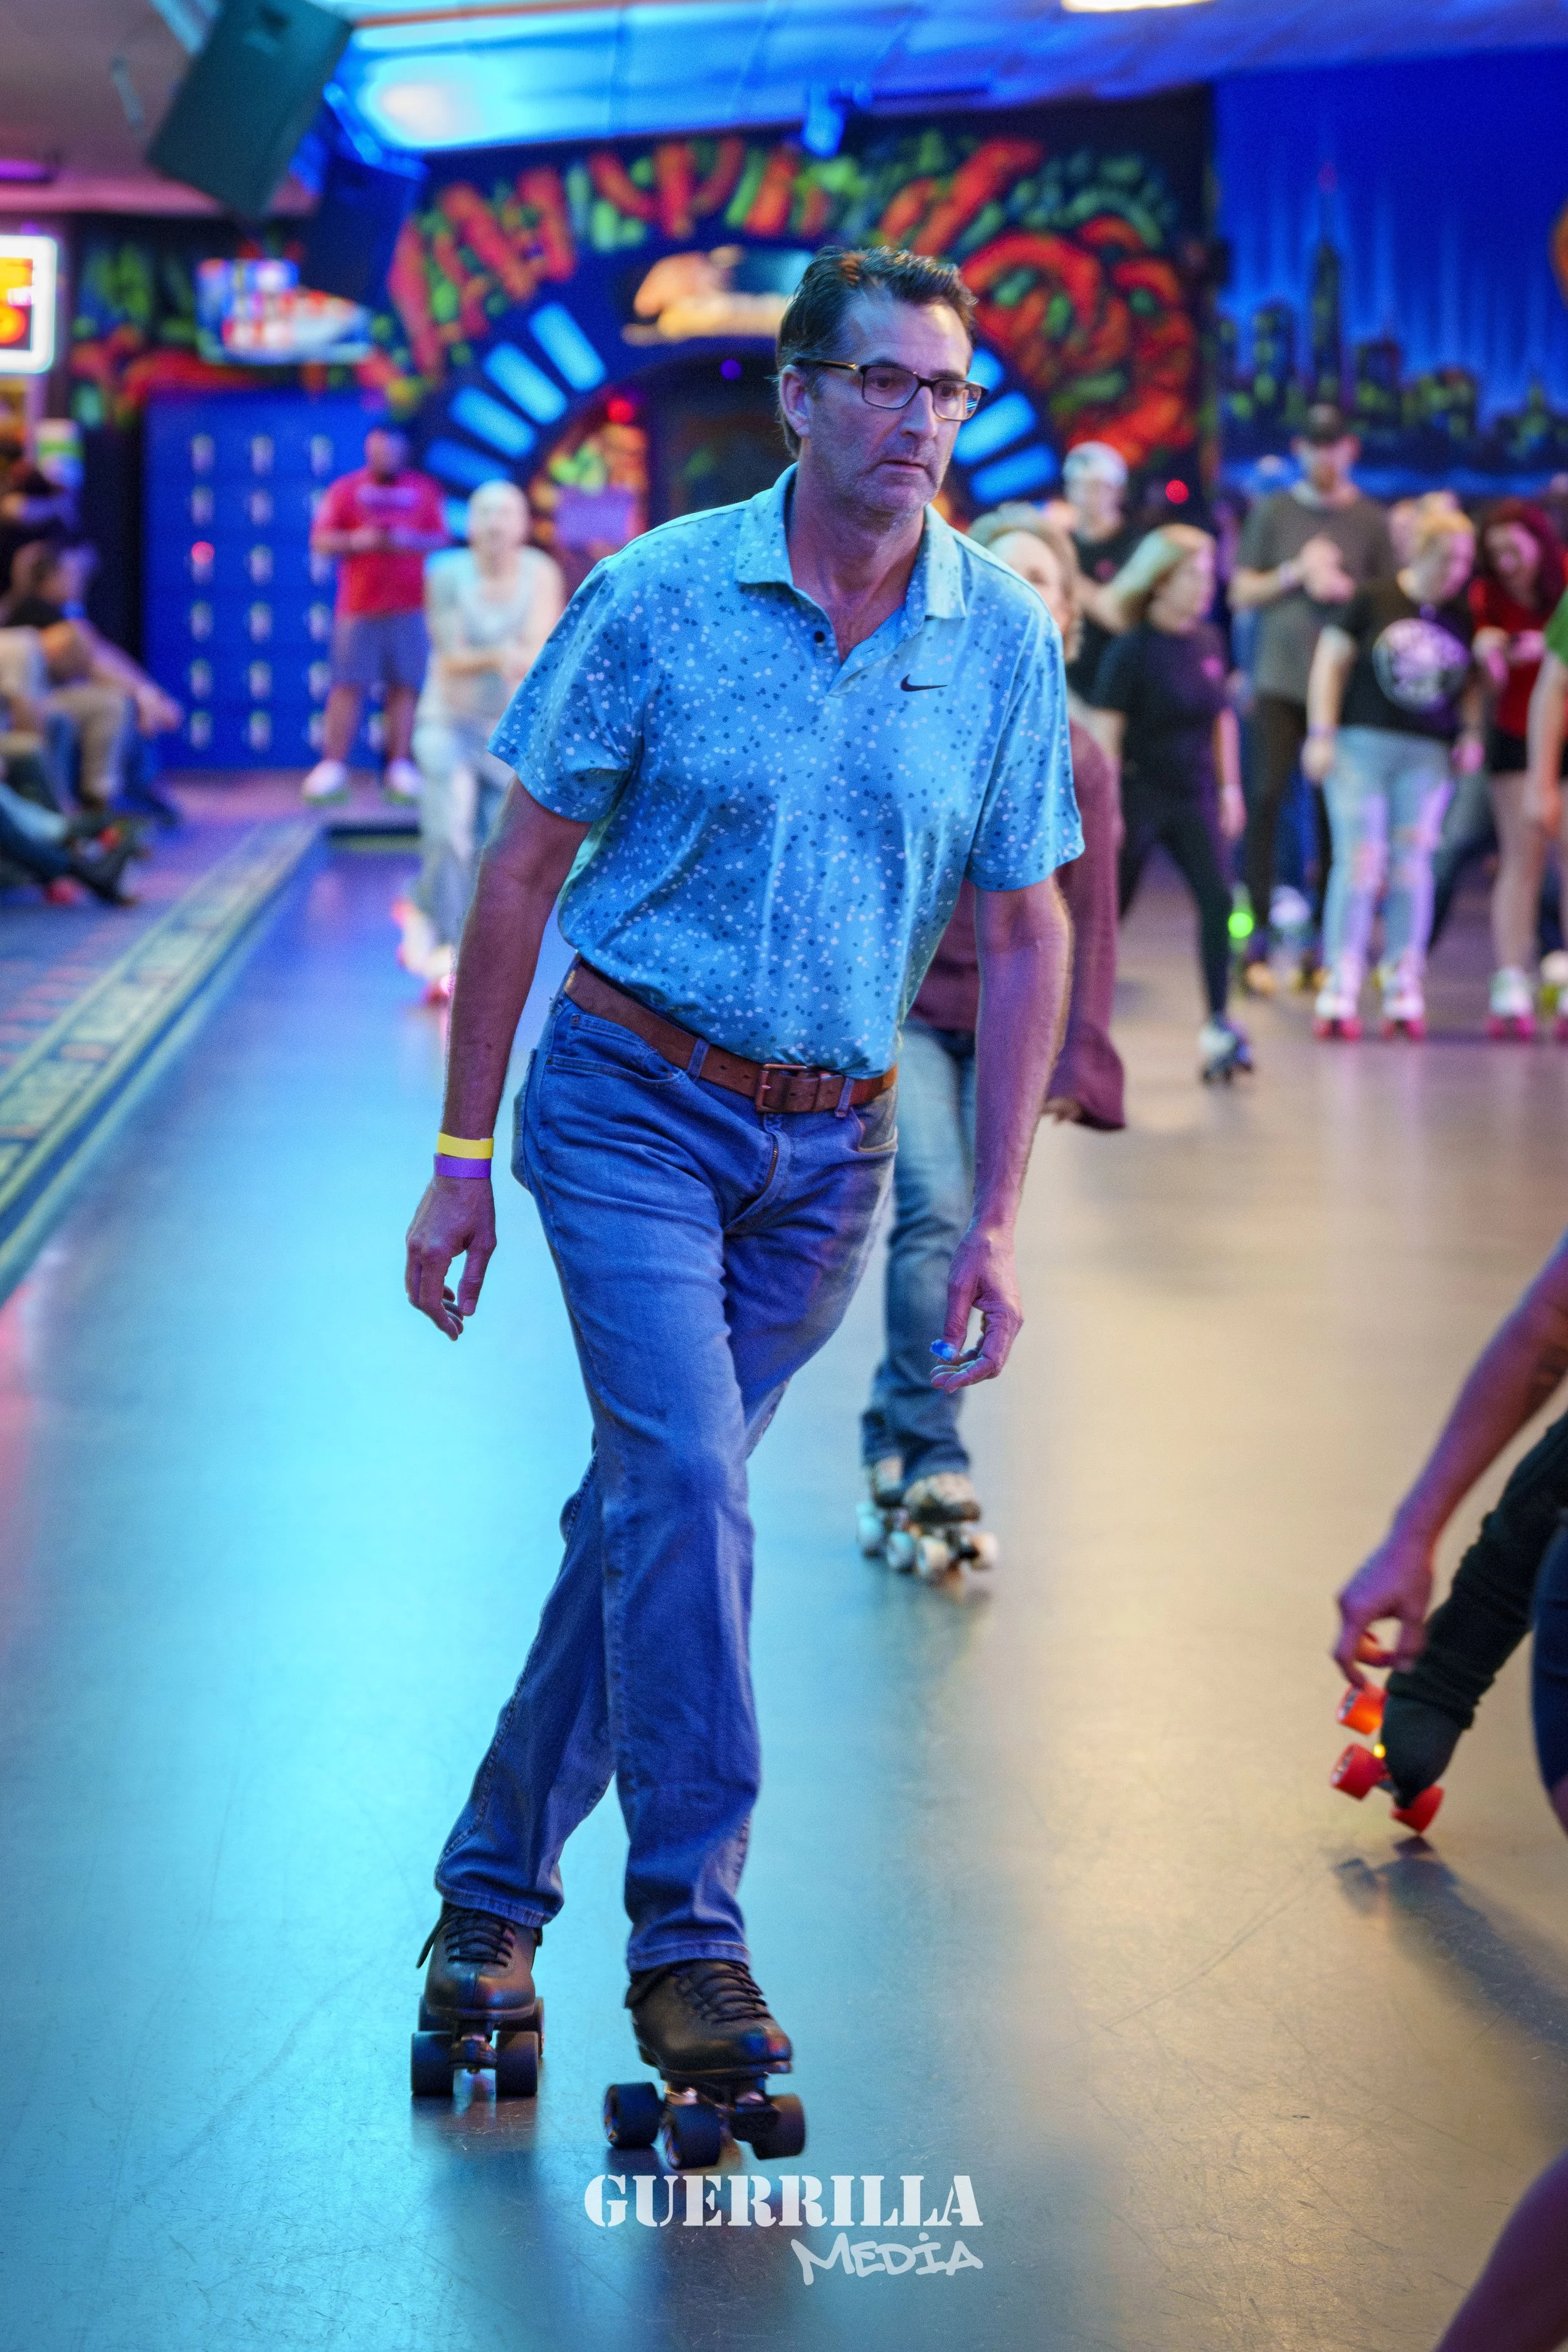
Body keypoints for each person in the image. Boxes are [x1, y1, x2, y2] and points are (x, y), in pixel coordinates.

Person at [401, 246, 1079, 2102]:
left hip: (829, 1149)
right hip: (626, 1097)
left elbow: (1028, 934)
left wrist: (997, 1210)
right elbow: (521, 868)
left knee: (647, 1505)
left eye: (942, 390)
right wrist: (460, 1155)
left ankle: (483, 1899)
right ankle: (688, 1940)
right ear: (794, 394)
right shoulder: (658, 597)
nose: (916, 422)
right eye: (880, 382)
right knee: (688, 1480)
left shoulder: (997, 635)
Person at [857, 505, 1124, 1547]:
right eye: (1005, 576)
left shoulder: (1082, 756)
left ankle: (892, 1415)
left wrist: (1083, 1048)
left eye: (1046, 583)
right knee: (935, 1210)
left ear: (1065, 614)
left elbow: (1087, 918)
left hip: (1013, 1020)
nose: (1029, 598)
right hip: (912, 1012)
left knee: (976, 1226)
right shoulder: (917, 707)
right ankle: (934, 1451)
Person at [1231, 405, 1395, 992]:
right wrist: (1295, 573)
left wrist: (1349, 590)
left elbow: (1390, 605)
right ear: (1301, 449)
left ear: (1349, 449)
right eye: (1314, 444)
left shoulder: (1371, 521)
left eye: (1334, 444)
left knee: (1334, 819)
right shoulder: (1274, 512)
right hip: (1278, 680)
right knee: (1266, 801)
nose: (1323, 455)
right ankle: (1252, 939)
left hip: (1344, 692)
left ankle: (1327, 948)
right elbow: (1241, 591)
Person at [1304, 508, 1481, 1039]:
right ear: (1422, 551)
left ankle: (1404, 978)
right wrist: (1322, 732)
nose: (1456, 571)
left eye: (1465, 562)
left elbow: (1467, 682)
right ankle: (1341, 978)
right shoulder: (1373, 598)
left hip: (1426, 753)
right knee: (1359, 862)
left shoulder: (1458, 614)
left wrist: (1470, 733)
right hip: (1362, 744)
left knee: (1413, 865)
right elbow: (1330, 663)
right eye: (1448, 558)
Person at [1090, 523, 1251, 1081]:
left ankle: (1219, 1024)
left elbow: (1222, 717)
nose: (1207, 586)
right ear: (1161, 582)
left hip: (1196, 793)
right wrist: (1109, 807)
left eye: (1210, 574)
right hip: (1141, 793)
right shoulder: (1131, 650)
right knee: (1113, 911)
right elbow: (1108, 736)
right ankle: (1080, 1024)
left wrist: (1231, 789)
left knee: (1218, 900)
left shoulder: (1208, 641)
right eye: (1195, 575)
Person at [394, 480, 565, 1001]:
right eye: (484, 513)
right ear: (469, 524)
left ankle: (436, 917)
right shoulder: (445, 574)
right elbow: (450, 657)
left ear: (522, 523)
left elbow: (538, 649)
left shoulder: (541, 573)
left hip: (510, 733)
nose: (493, 524)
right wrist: (499, 657)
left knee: (496, 851)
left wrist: (499, 656)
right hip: (446, 720)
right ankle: (446, 949)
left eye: (505, 513)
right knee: (448, 832)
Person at [1462, 501, 1567, 1034]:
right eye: (1495, 551)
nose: (1506, 561)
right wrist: (1489, 652)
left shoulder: (1563, 578)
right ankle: (1510, 979)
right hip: (1512, 729)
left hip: (1563, 733)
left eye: (1514, 548)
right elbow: (1481, 676)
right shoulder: (1486, 597)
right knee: (1521, 858)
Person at [302, 425, 447, 807]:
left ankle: (400, 765)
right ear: (370, 451)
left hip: (410, 606)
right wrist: (358, 540)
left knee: (406, 686)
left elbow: (440, 538)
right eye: (381, 451)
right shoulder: (346, 490)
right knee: (347, 684)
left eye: (394, 451)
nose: (387, 458)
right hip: (358, 607)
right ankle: (333, 766)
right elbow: (320, 539)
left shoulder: (424, 490)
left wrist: (407, 541)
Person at [3, 540, 182, 812]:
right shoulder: (32, 610)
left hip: (53, 695)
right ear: (50, 577)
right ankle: (100, 801)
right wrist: (145, 695)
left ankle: (136, 793)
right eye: (71, 574)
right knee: (113, 703)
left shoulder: (64, 611)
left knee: (123, 702)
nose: (78, 582)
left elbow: (102, 654)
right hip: (39, 698)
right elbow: (92, 660)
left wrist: (148, 693)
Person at [1056, 440, 1140, 704]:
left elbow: (1121, 616)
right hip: (1069, 683)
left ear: (1117, 491)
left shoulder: (1137, 545)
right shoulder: (1062, 543)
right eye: (1077, 484)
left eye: (1095, 486)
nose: (1084, 495)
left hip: (1124, 689)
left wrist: (1065, 574)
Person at [0, 423, 73, 596]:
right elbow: (13, 509)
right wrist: (59, 506)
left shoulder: (45, 490)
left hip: (26, 591)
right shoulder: (14, 494)